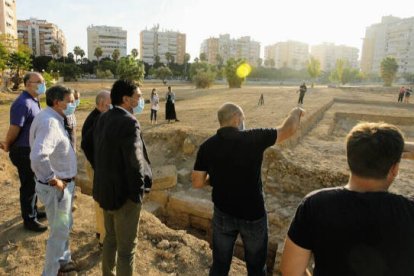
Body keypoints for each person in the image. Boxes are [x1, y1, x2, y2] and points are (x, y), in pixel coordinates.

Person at [280, 122, 414, 276]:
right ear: (394, 169)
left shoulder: (315, 205)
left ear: (349, 160)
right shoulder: (409, 210)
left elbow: (290, 271)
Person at [192, 102, 304, 275]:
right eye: (243, 117)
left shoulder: (207, 146)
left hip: (223, 215)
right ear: (237, 119)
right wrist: (296, 112)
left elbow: (197, 182)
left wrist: (212, 180)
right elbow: (288, 130)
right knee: (256, 268)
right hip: (253, 217)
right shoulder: (254, 138)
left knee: (220, 265)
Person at [93, 79, 152, 276]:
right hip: (124, 196)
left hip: (106, 191)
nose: (141, 99)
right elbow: (135, 162)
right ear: (126, 99)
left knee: (110, 238)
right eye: (138, 96)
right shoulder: (129, 121)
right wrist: (138, 194)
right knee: (127, 250)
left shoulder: (104, 117)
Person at [30, 85, 78, 275]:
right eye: (71, 101)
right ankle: (50, 272)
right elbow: (38, 156)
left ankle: (63, 261)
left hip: (62, 186)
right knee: (59, 234)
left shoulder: (52, 117)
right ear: (58, 102)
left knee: (64, 227)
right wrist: (53, 179)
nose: (74, 104)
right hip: (57, 188)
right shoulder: (50, 123)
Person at [0, 72, 47, 232]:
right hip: (23, 151)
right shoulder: (22, 103)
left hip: (32, 150)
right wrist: (7, 144)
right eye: (39, 82)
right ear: (28, 84)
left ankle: (33, 211)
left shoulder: (34, 101)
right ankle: (29, 220)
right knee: (28, 185)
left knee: (33, 183)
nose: (43, 84)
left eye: (43, 81)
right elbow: (14, 129)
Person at [80, 90, 111, 245]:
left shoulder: (99, 116)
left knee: (100, 201)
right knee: (102, 202)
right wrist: (98, 165)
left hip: (97, 166)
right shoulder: (97, 119)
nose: (112, 106)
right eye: (109, 103)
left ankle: (100, 232)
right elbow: (85, 144)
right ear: (100, 104)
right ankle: (104, 239)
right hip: (97, 167)